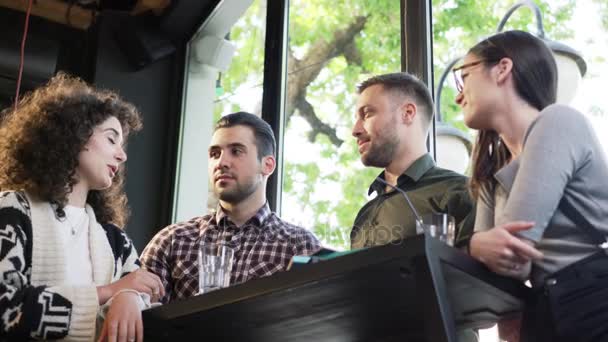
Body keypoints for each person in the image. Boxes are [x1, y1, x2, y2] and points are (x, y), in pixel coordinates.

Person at [456, 30, 608, 342]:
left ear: (502, 69)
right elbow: (489, 274)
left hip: (592, 300)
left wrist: (476, 247)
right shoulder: (490, 173)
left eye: (464, 76)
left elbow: (513, 250)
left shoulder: (557, 121)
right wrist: (475, 247)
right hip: (543, 311)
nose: (458, 95)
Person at [0, 73, 164, 341]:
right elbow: (6, 307)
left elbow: (146, 301)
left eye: (122, 146)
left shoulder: (115, 241)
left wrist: (129, 296)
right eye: (112, 139)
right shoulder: (13, 210)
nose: (122, 155)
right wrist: (109, 292)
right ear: (74, 134)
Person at [140, 111, 321, 303]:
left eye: (236, 151)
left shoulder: (300, 246)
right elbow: (139, 320)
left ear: (267, 165)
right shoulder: (171, 241)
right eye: (215, 154)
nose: (221, 163)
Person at [350, 72, 475, 250]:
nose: (355, 130)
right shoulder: (364, 215)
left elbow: (469, 275)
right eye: (356, 118)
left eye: (367, 114)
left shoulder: (459, 192)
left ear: (408, 113)